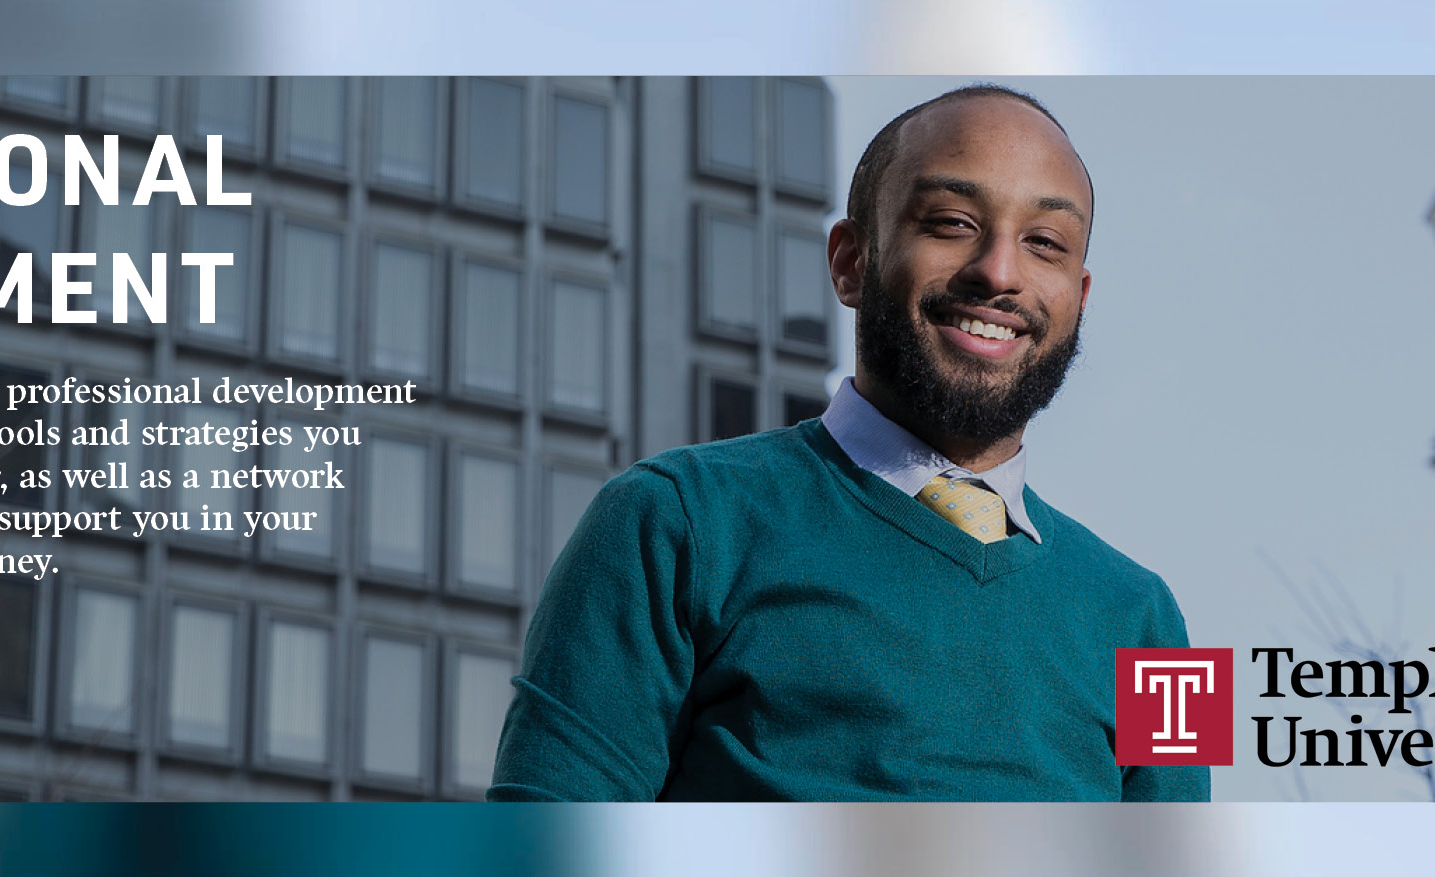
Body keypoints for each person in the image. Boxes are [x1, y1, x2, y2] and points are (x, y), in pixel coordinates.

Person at [486, 84, 1206, 802]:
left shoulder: (1157, 627)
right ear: (849, 261)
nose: (1000, 271)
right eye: (952, 222)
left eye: (1044, 242)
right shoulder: (669, 523)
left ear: (1079, 297)